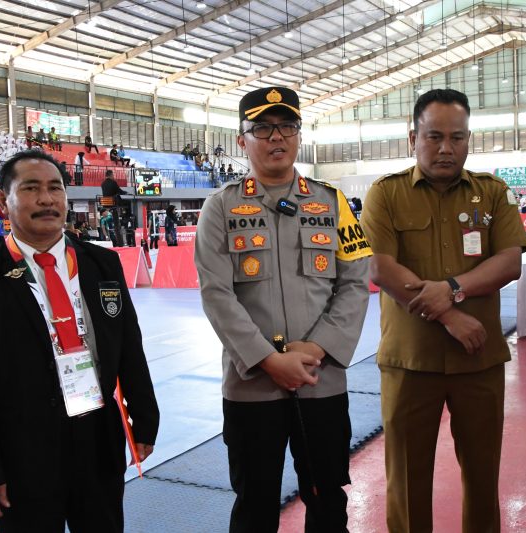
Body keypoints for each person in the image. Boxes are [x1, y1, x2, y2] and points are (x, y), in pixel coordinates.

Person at [0, 149, 159, 531]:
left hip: (97, 440)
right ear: (3, 201)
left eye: (55, 188)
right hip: (22, 453)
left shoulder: (102, 264)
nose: (46, 199)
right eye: (31, 189)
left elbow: (129, 346)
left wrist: (145, 419)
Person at [194, 86, 372, 533]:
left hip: (321, 380)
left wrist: (315, 349)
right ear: (242, 140)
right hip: (252, 385)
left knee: (327, 497)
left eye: (287, 126)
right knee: (254, 503)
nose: (277, 137)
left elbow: (354, 283)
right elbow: (217, 294)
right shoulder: (220, 207)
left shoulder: (333, 204)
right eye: (263, 128)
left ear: (298, 134)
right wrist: (269, 360)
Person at [360, 88, 526, 533]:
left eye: (457, 138)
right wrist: (451, 313)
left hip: (478, 361)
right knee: (407, 482)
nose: (445, 148)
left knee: (481, 476)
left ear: (468, 140)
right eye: (434, 136)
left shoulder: (492, 194)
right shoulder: (385, 195)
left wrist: (452, 288)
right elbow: (380, 266)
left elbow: (509, 261)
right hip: (409, 363)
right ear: (412, 136)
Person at [101, 170, 128, 246]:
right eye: (113, 175)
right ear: (110, 175)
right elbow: (119, 191)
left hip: (106, 203)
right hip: (113, 203)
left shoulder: (103, 184)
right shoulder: (113, 183)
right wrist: (125, 192)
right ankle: (125, 214)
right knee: (127, 203)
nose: (114, 176)